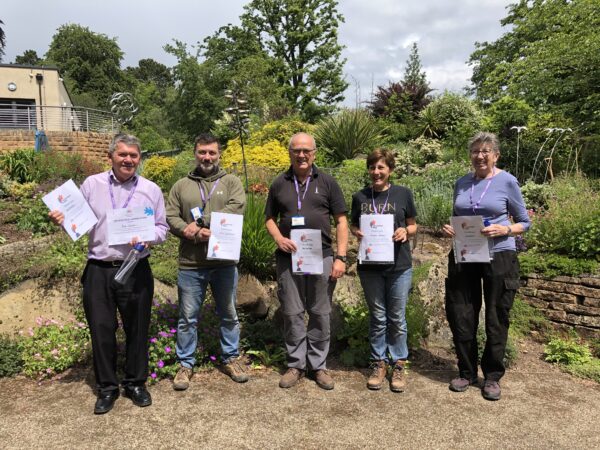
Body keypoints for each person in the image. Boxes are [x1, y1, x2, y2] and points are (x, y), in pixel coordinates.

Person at [48, 133, 168, 414]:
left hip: (136, 267)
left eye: (133, 155)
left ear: (139, 158)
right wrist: (63, 221)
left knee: (137, 328)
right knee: (101, 330)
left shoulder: (151, 189)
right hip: (99, 269)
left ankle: (136, 384)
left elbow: (162, 227)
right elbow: (81, 222)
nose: (128, 160)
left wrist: (150, 237)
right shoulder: (92, 184)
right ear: (111, 156)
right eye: (122, 154)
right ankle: (107, 388)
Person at [442, 131, 530, 401]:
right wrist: (450, 229)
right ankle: (466, 372)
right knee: (461, 313)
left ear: (496, 155)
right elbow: (459, 217)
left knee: (496, 316)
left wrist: (505, 228)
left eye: (485, 151)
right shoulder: (461, 183)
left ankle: (492, 376)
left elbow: (525, 222)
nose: (480, 156)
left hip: (499, 255)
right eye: (475, 151)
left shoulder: (507, 182)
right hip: (465, 254)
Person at [265, 132, 348, 390]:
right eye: (296, 150)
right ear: (289, 153)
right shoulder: (279, 183)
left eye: (306, 151)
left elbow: (342, 220)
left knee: (320, 312)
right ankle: (296, 364)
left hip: (321, 256)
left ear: (314, 153)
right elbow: (269, 218)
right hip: (288, 259)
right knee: (292, 312)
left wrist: (341, 257)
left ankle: (318, 366)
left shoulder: (328, 182)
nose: (301, 155)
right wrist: (278, 238)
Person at [166, 133, 247, 391]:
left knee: (229, 314)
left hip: (224, 262)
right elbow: (170, 215)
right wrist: (187, 230)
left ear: (219, 154)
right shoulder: (181, 185)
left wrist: (202, 222)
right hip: (191, 264)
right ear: (195, 153)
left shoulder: (231, 182)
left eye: (212, 152)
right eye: (202, 152)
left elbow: (237, 207)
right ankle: (185, 364)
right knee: (188, 317)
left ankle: (230, 358)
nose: (207, 157)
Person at [350, 149, 417, 392]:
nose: (376, 172)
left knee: (396, 317)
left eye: (381, 168)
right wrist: (356, 231)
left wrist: (404, 232)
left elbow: (413, 225)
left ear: (390, 169)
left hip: (399, 265)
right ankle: (378, 362)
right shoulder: (360, 197)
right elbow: (354, 223)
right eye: (372, 167)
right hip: (370, 266)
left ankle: (398, 363)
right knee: (378, 317)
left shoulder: (403, 194)